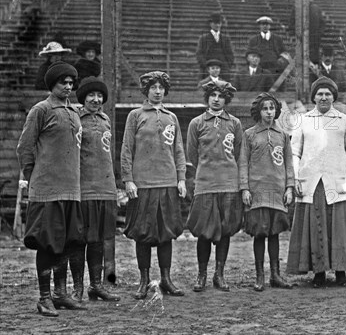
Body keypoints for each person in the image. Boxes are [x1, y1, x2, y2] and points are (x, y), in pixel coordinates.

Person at [17, 61, 86, 316]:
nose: (68, 87)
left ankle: (60, 293)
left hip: (71, 189)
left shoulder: (74, 111)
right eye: (63, 83)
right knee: (48, 244)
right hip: (47, 191)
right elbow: (24, 148)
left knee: (68, 243)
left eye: (71, 83)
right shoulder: (41, 110)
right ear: (52, 85)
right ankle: (44, 297)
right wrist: (33, 176)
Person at [287, 76, 346, 287]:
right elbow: (294, 152)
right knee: (315, 225)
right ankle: (318, 272)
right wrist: (295, 178)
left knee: (338, 226)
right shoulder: (302, 120)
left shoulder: (345, 120)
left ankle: (340, 271)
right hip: (311, 181)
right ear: (313, 97)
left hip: (337, 179)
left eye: (328, 94)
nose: (323, 97)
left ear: (333, 97)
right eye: (319, 94)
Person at [121, 71, 187, 299]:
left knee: (165, 233)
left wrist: (181, 179)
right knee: (143, 234)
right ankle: (144, 281)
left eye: (161, 88)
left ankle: (166, 279)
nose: (157, 91)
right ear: (146, 91)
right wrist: (128, 179)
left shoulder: (172, 117)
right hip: (143, 185)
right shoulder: (135, 115)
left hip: (167, 183)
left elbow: (178, 150)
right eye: (153, 87)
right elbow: (127, 149)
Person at [186, 80, 243, 292]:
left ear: (226, 99)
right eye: (213, 95)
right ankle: (201, 275)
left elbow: (238, 153)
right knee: (204, 231)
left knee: (225, 230)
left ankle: (219, 274)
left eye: (220, 96)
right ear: (207, 98)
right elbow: (192, 153)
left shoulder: (234, 123)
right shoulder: (196, 123)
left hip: (228, 183)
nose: (216, 99)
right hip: (205, 184)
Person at [239, 93, 294, 292]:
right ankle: (260, 276)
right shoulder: (249, 134)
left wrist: (289, 187)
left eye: (272, 108)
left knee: (274, 234)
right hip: (257, 190)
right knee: (260, 234)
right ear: (258, 111)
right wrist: (244, 188)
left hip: (277, 190)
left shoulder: (283, 135)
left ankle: (276, 275)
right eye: (265, 109)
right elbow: (243, 163)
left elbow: (289, 163)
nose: (269, 112)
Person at [75, 76, 120, 302]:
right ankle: (76, 289)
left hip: (106, 188)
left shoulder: (105, 119)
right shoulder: (76, 118)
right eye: (91, 95)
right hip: (84, 188)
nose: (96, 99)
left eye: (100, 96)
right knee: (80, 239)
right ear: (83, 98)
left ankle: (96, 285)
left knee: (99, 240)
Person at [196, 12, 234, 78]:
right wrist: (206, 66)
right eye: (215, 23)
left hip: (223, 70)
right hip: (208, 70)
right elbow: (199, 54)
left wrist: (227, 66)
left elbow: (230, 54)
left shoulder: (226, 39)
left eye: (219, 23)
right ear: (210, 24)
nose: (217, 25)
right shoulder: (203, 38)